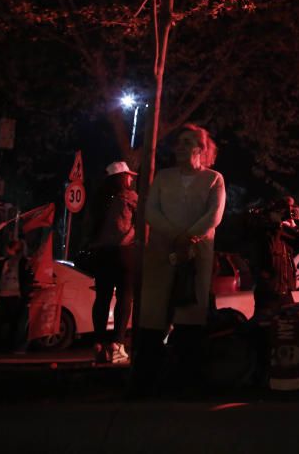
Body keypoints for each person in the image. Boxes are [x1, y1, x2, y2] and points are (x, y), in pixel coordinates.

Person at [132, 124, 226, 397]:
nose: (181, 147)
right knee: (154, 317)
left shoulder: (214, 179)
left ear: (201, 148)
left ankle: (187, 383)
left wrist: (191, 238)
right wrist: (176, 236)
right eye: (179, 142)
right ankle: (144, 384)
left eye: (188, 142)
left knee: (190, 317)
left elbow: (214, 215)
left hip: (196, 256)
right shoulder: (163, 177)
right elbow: (151, 211)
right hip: (162, 253)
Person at [89, 161, 138, 364]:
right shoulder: (129, 197)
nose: (131, 179)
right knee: (125, 297)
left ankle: (99, 344)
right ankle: (117, 346)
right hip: (123, 251)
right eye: (129, 175)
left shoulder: (99, 199)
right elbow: (143, 220)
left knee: (102, 297)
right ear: (122, 177)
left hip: (101, 253)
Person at [250, 196, 299, 319]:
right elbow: (269, 249)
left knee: (289, 331)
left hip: (286, 292)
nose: (287, 213)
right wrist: (277, 225)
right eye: (283, 211)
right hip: (269, 293)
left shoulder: (285, 232)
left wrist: (293, 225)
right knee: (265, 330)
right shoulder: (265, 231)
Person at [0, 239, 32, 353]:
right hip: (2, 295)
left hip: (15, 296)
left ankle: (11, 347)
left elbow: (26, 278)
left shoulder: (23, 262)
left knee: (14, 323)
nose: (6, 251)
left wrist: (25, 292)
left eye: (9, 248)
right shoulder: (5, 261)